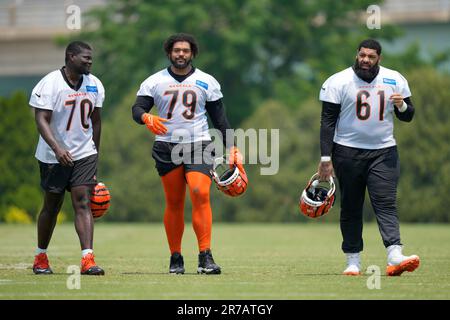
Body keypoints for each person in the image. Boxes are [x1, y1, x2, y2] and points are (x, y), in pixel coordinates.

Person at [132, 33, 244, 275]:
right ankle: (175, 257)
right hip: (166, 145)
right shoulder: (155, 81)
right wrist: (145, 116)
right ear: (169, 53)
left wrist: (232, 146)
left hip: (199, 144)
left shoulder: (206, 81)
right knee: (174, 202)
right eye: (176, 50)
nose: (180, 54)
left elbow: (220, 119)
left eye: (185, 50)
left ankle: (205, 256)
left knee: (199, 191)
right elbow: (137, 108)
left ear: (192, 53)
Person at [317, 39, 420, 276]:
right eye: (362, 55)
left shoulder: (394, 79)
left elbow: (409, 115)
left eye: (371, 56)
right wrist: (325, 158)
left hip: (383, 152)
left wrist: (402, 106)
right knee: (351, 207)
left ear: (379, 59)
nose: (365, 60)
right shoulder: (338, 81)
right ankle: (353, 261)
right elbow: (327, 123)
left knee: (385, 203)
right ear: (357, 55)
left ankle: (395, 254)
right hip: (347, 152)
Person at [29, 41, 105, 275]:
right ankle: (41, 257)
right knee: (52, 206)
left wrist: (95, 153)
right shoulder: (50, 83)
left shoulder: (95, 84)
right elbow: (41, 119)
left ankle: (87, 260)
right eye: (85, 58)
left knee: (83, 203)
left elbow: (96, 120)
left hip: (84, 153)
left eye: (91, 58)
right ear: (71, 57)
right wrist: (57, 148)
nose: (90, 62)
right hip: (54, 155)